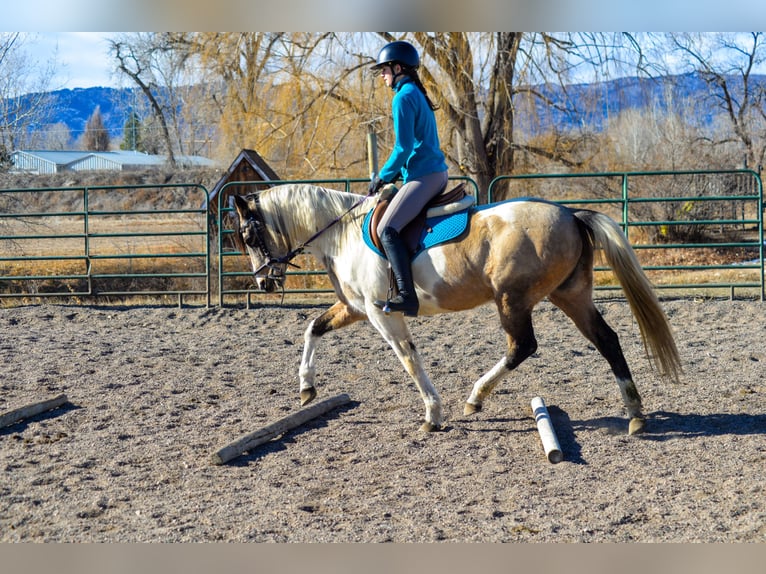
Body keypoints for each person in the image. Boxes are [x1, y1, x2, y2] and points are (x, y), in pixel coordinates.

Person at [369, 40, 449, 317]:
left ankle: (406, 295)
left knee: (386, 229)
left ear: (398, 67)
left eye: (385, 69)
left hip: (424, 174)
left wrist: (382, 176)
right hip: (432, 173)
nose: (382, 75)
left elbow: (402, 148)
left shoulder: (402, 97)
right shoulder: (415, 92)